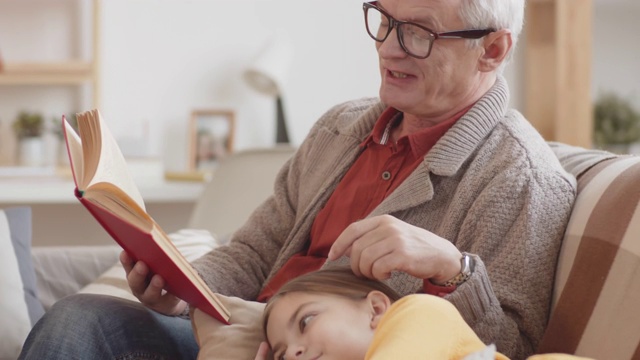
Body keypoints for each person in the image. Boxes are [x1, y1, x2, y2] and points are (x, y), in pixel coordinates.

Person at [19, 0, 576, 359]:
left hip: (314, 350)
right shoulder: (339, 128)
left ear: (493, 49)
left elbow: (512, 346)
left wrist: (452, 270)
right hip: (241, 333)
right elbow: (253, 253)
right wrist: (181, 287)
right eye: (383, 19)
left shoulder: (521, 179)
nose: (387, 47)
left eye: (419, 33)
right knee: (80, 319)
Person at [260, 267, 589, 360]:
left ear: (375, 309)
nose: (292, 352)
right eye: (279, 355)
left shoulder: (420, 313)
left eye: (305, 322)